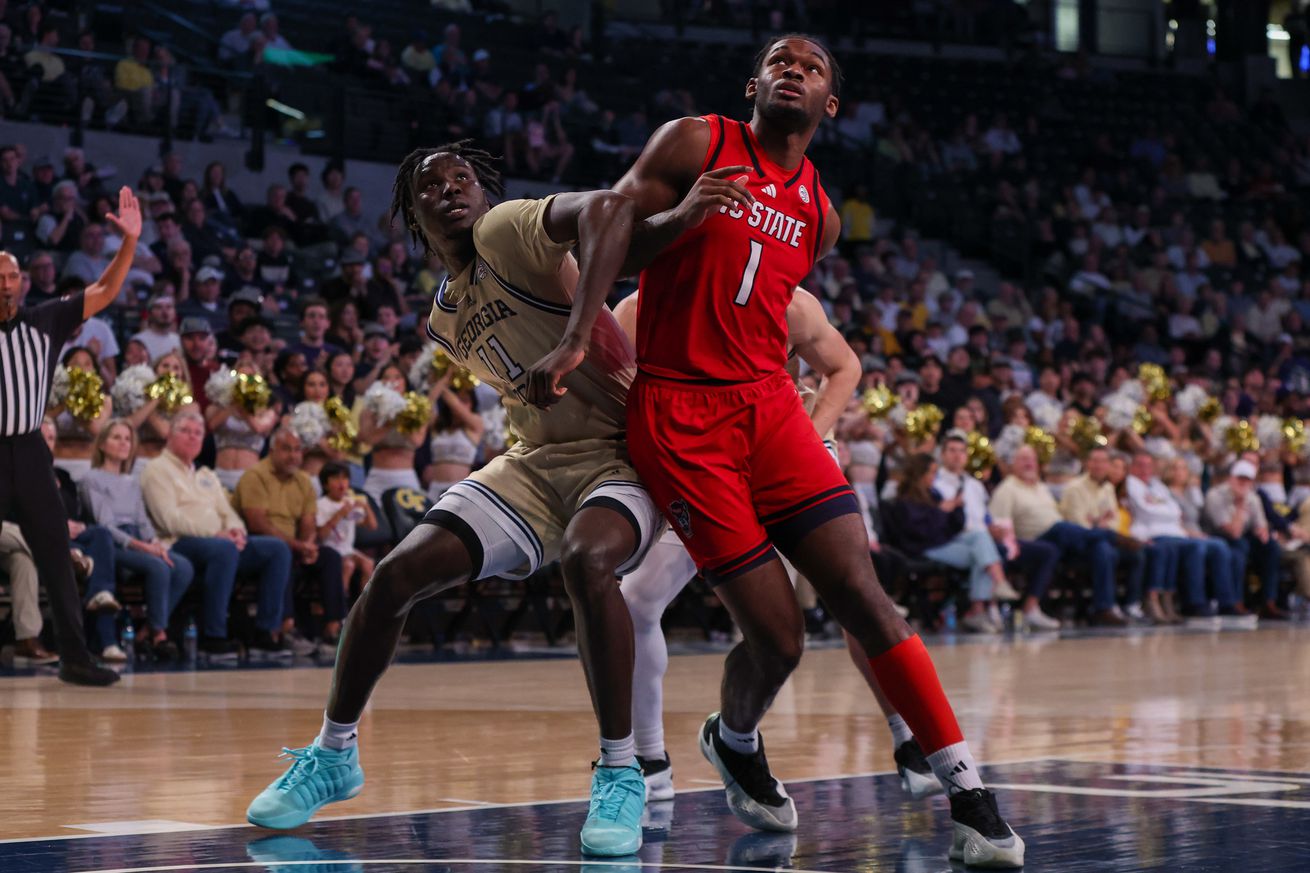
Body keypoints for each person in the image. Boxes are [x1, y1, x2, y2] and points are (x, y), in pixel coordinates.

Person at [568, 34, 1021, 865]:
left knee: (862, 592)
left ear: (830, 105)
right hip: (680, 413)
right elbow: (610, 233)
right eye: (780, 61)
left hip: (770, 409)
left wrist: (816, 419)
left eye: (812, 68)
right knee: (775, 640)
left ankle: (966, 789)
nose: (794, 71)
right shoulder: (695, 140)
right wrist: (677, 221)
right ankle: (722, 739)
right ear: (753, 85)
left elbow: (802, 330)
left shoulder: (820, 212)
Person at [246, 142, 662, 861]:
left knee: (589, 558)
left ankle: (622, 771)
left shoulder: (508, 229)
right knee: (394, 575)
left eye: (460, 178)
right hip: (531, 461)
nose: (448, 191)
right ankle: (334, 752)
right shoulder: (443, 318)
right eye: (429, 187)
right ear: (411, 212)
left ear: (484, 190)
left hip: (621, 449)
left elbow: (609, 208)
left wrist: (571, 342)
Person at [614, 285, 946, 802]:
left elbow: (845, 366)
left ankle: (908, 737)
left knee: (855, 596)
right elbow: (620, 397)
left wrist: (812, 437)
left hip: (784, 445)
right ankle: (649, 757)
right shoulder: (639, 309)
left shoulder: (781, 294)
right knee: (635, 599)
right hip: (701, 460)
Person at [0, 187, 142, 686]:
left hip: (30, 451)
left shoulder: (45, 320)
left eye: (12, 276)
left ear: (21, 283)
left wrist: (129, 243)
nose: (6, 284)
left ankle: (76, 657)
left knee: (57, 553)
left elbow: (104, 291)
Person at [81, 419, 194, 659]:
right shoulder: (92, 479)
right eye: (116, 438)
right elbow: (106, 525)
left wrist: (155, 544)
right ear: (102, 445)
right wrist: (143, 547)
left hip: (138, 539)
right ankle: (159, 635)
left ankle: (146, 629)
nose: (123, 443)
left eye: (127, 439)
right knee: (158, 568)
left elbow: (142, 520)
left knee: (182, 567)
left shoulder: (132, 481)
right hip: (113, 544)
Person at [233, 428, 346, 650]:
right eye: (286, 449)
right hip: (259, 547)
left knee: (330, 556)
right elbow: (257, 523)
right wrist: (296, 545)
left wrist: (308, 545)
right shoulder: (254, 476)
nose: (293, 456)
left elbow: (308, 520)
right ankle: (285, 628)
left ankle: (334, 629)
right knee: (280, 553)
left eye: (297, 450)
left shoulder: (303, 480)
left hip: (294, 546)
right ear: (272, 450)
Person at [316, 461, 377, 599]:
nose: (341, 483)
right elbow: (321, 535)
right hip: (329, 550)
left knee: (368, 564)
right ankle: (341, 607)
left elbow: (372, 526)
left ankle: (363, 607)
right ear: (325, 484)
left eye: (344, 478)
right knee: (348, 566)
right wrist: (339, 514)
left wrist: (366, 507)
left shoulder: (349, 502)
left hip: (347, 550)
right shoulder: (321, 504)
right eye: (336, 479)